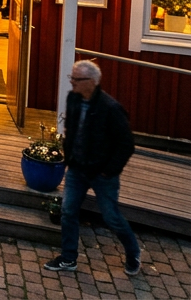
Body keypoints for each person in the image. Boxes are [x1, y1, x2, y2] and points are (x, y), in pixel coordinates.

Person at [44, 60, 141, 276]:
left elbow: (126, 144)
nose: (73, 83)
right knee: (68, 212)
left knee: (111, 217)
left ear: (93, 82)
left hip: (101, 173)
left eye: (77, 79)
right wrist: (68, 155)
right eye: (72, 78)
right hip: (77, 169)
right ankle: (69, 258)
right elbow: (71, 128)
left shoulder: (111, 108)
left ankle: (133, 253)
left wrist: (110, 170)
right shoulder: (74, 99)